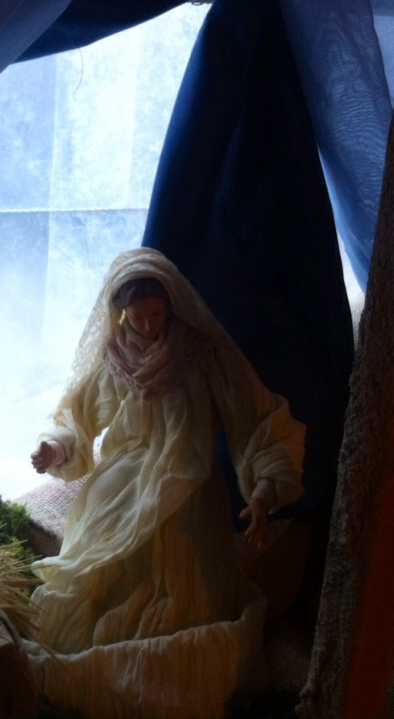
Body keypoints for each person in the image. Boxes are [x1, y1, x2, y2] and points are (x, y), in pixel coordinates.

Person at [26, 248, 305, 719]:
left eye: (155, 314)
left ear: (171, 305)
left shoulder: (202, 353)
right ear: (121, 313)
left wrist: (264, 488)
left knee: (185, 582)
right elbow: (78, 414)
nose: (148, 325)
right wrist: (55, 446)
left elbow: (256, 419)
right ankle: (101, 665)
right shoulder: (113, 356)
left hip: (188, 482)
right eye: (137, 317)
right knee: (96, 569)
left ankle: (170, 670)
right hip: (122, 478)